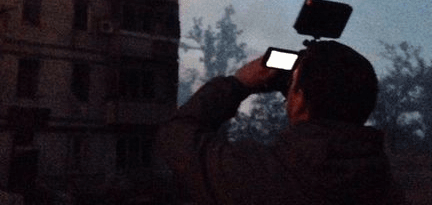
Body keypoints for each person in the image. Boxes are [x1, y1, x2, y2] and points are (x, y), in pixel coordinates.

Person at [156, 40, 406, 205]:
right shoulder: (382, 182)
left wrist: (238, 83)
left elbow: (177, 135)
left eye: (294, 87)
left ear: (299, 101)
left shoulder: (259, 175)